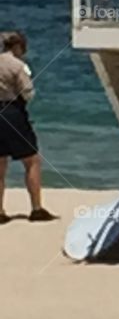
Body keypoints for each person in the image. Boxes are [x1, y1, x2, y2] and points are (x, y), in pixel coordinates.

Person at [0, 31, 55, 223]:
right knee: (32, 161)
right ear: (17, 47)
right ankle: (36, 208)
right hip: (12, 112)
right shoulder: (18, 66)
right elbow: (28, 92)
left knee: (0, 164)